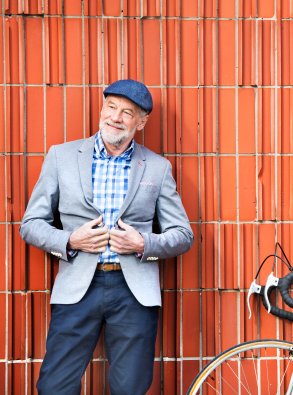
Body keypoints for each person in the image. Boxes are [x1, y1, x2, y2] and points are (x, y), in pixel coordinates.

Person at [20, 79, 193, 395]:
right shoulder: (61, 156)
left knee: (130, 388)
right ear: (102, 109)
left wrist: (144, 244)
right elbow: (30, 224)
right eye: (111, 107)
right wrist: (71, 240)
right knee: (54, 387)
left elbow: (183, 234)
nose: (116, 117)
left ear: (141, 122)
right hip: (77, 289)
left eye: (127, 112)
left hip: (134, 293)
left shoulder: (157, 167)